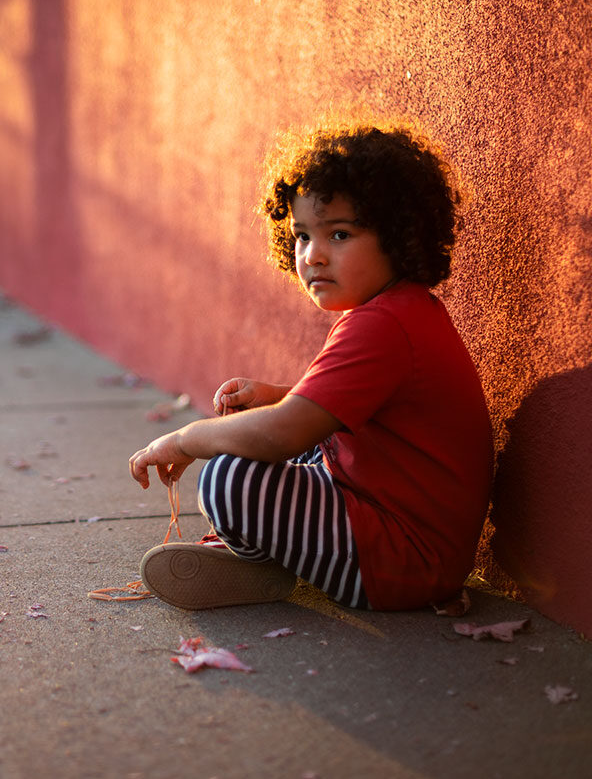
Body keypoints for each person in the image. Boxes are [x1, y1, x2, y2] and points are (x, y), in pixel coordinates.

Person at [128, 121, 493, 612]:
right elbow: (343, 416)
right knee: (265, 439)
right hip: (398, 534)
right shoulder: (401, 310)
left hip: (405, 562)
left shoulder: (383, 325)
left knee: (229, 477)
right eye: (301, 236)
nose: (313, 255)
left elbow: (285, 435)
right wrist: (277, 396)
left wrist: (184, 439)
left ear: (400, 236)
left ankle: (262, 560)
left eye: (339, 234)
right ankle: (261, 559)